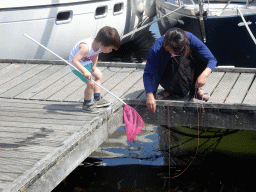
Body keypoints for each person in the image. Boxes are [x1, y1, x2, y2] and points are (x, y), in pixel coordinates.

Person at [143, 28, 217, 113]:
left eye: (180, 50)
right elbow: (148, 73)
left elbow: (211, 59)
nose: (178, 52)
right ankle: (170, 90)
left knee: (201, 58)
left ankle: (196, 88)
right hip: (168, 73)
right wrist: (149, 95)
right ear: (166, 46)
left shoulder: (190, 38)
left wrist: (204, 74)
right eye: (175, 51)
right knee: (174, 61)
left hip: (188, 68)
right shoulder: (156, 49)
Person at [69, 26, 120, 113]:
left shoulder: (98, 45)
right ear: (102, 44)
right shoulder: (85, 47)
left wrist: (94, 65)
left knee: (99, 75)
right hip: (77, 65)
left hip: (86, 61)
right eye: (110, 49)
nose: (111, 51)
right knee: (91, 84)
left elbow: (95, 54)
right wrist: (85, 71)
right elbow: (75, 61)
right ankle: (87, 105)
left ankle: (97, 99)